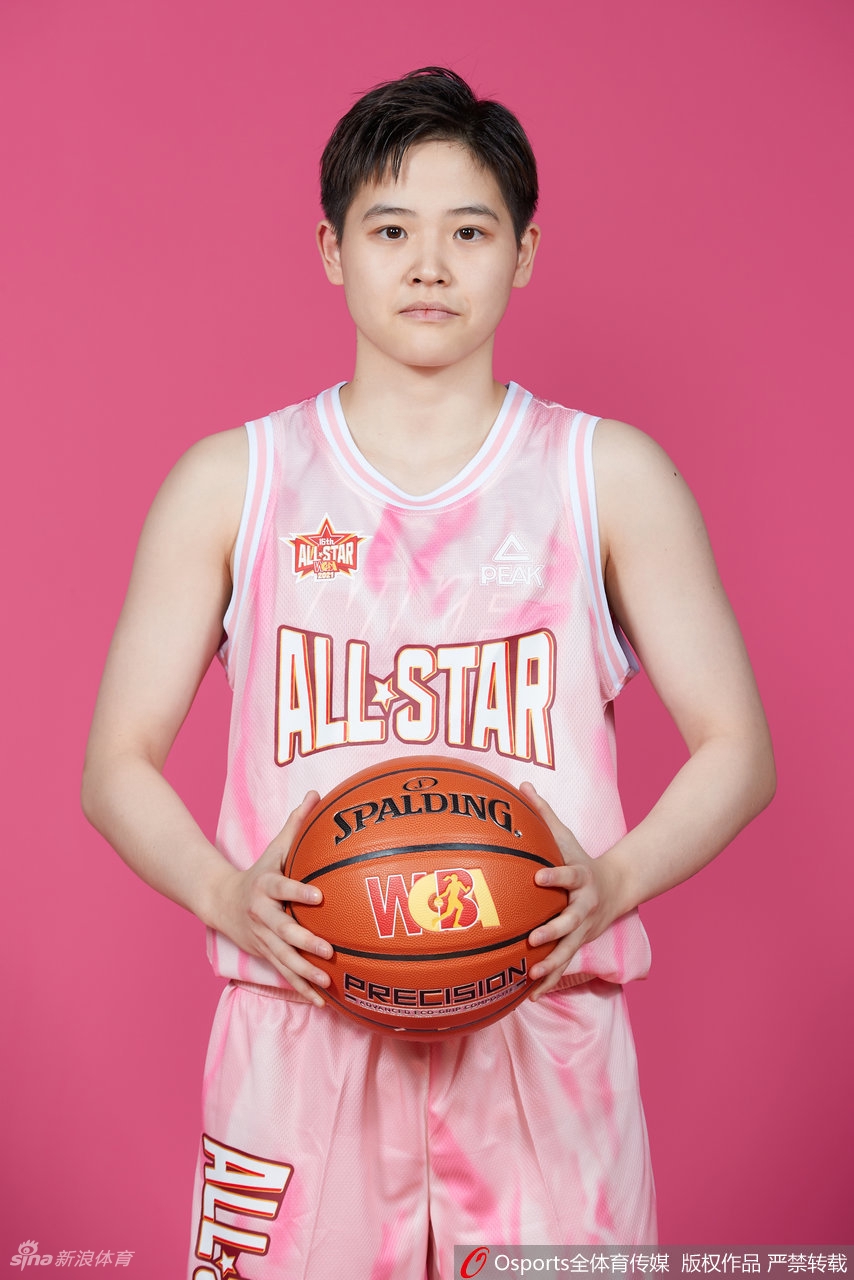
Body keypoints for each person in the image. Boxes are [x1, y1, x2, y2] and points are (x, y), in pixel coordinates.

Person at [82, 66, 775, 1278]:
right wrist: (223, 891)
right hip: (300, 1021)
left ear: (523, 252)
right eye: (390, 230)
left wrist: (611, 881)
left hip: (539, 1023)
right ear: (331, 249)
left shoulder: (603, 476)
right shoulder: (233, 481)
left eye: (469, 231)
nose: (429, 266)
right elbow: (115, 763)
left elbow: (738, 748)